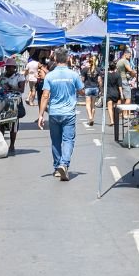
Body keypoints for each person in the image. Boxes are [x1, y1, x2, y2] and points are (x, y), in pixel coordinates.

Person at [38, 48, 84, 181]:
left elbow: (45, 96)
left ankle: (57, 167)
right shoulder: (74, 75)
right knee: (68, 140)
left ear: (55, 59)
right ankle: (64, 164)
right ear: (68, 59)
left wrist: (41, 115)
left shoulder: (50, 76)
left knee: (56, 141)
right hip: (69, 113)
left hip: (54, 113)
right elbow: (81, 91)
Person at [0, 57, 25, 155]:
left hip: (15, 102)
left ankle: (12, 145)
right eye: (7, 67)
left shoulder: (19, 77)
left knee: (14, 124)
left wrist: (11, 87)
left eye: (11, 67)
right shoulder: (2, 76)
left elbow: (21, 90)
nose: (9, 69)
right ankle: (2, 143)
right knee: (1, 123)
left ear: (14, 68)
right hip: (3, 101)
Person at [81, 56, 103, 126]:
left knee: (88, 104)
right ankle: (92, 118)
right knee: (93, 105)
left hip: (87, 88)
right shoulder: (98, 69)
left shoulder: (85, 69)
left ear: (88, 62)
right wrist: (101, 89)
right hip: (95, 88)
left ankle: (90, 117)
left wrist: (81, 88)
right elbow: (99, 81)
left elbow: (82, 80)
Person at [105, 61, 122, 127]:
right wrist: (121, 94)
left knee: (109, 107)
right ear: (115, 67)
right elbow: (120, 85)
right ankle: (116, 119)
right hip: (116, 93)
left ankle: (111, 120)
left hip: (109, 92)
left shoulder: (106, 75)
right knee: (116, 107)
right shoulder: (118, 75)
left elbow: (104, 84)